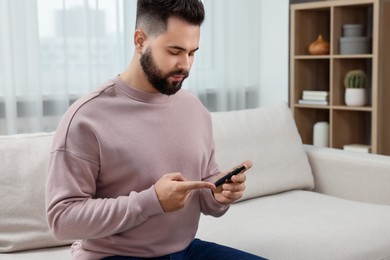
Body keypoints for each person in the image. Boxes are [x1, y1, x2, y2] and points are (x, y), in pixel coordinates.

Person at [46, 0, 266, 259]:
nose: (185, 65)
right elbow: (62, 220)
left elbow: (205, 192)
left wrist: (218, 194)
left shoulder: (194, 109)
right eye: (174, 51)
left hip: (184, 249)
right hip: (113, 255)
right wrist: (151, 202)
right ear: (140, 41)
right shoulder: (86, 118)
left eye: (192, 52)